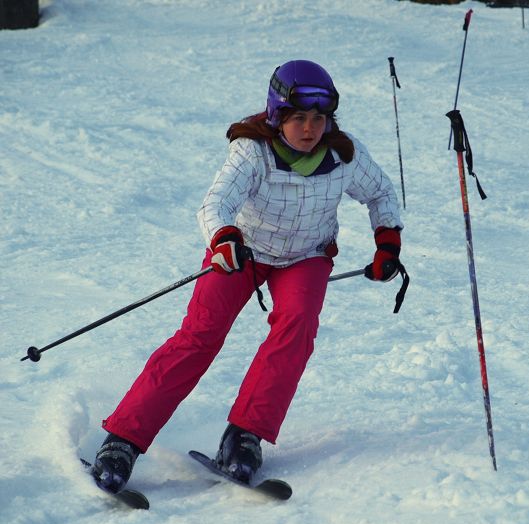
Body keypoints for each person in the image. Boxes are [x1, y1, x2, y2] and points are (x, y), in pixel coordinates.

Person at [91, 59, 404, 493]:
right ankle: (123, 439)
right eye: (299, 117)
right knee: (199, 335)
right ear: (277, 115)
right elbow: (215, 203)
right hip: (241, 252)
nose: (310, 128)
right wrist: (224, 238)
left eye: (319, 118)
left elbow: (381, 192)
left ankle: (244, 436)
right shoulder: (253, 151)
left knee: (296, 328)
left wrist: (387, 243)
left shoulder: (344, 154)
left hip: (306, 256)